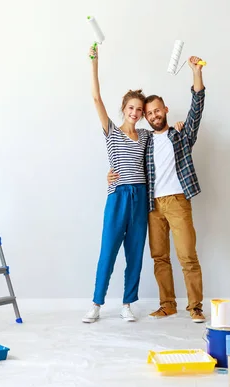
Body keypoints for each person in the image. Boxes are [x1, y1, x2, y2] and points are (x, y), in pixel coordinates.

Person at [107, 55, 207, 323]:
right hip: (151, 205)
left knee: (187, 256)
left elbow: (196, 108)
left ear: (165, 109)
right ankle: (168, 304)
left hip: (177, 201)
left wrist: (196, 73)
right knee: (159, 258)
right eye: (149, 113)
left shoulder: (181, 134)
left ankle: (195, 307)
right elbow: (125, 157)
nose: (153, 115)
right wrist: (111, 174)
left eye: (157, 110)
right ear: (146, 118)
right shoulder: (146, 140)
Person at [82, 44, 151, 324]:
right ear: (124, 108)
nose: (135, 112)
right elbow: (96, 98)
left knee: (135, 253)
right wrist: (94, 63)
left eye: (139, 110)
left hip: (141, 196)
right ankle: (97, 304)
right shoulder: (111, 131)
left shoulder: (146, 136)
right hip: (118, 196)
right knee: (108, 252)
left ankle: (127, 303)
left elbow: (165, 139)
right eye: (131, 107)